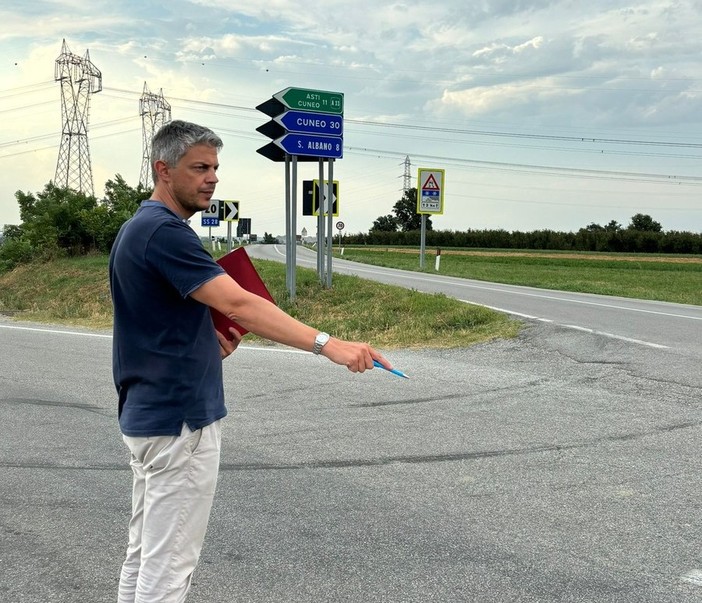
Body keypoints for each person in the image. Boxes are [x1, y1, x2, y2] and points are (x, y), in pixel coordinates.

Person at [109, 119, 392, 603]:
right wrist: (330, 344)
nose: (212, 178)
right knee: (170, 566)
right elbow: (239, 303)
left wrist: (207, 340)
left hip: (151, 414)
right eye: (199, 167)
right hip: (181, 420)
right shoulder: (165, 232)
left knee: (145, 554)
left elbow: (162, 318)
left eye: (215, 167)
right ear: (163, 170)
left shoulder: (138, 228)